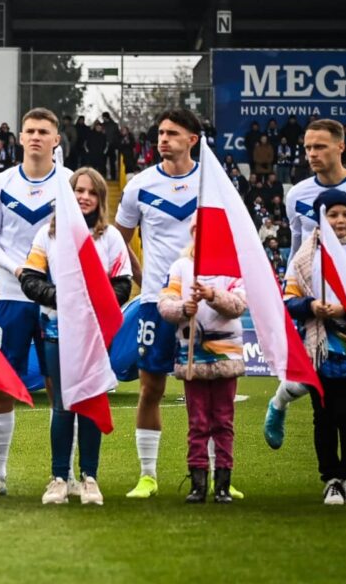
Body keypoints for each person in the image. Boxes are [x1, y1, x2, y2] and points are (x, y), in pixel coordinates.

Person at [269, 118, 346, 497]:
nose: (311, 154)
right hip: (317, 310)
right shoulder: (298, 193)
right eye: (307, 148)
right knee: (325, 396)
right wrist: (306, 303)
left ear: (340, 147)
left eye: (319, 147)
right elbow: (300, 251)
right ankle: (338, 475)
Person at [0, 107, 74, 496]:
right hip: (11, 297)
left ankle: (62, 475)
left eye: (43, 131)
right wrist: (18, 270)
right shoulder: (0, 182)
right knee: (3, 387)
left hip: (55, 301)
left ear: (56, 139)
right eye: (29, 130)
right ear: (19, 136)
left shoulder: (68, 182)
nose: (35, 136)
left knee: (60, 389)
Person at [20, 168, 132, 505]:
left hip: (94, 333)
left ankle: (89, 478)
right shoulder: (48, 235)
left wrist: (89, 301)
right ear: (67, 195)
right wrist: (63, 297)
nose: (84, 196)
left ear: (100, 198)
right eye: (78, 190)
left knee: (90, 401)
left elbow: (123, 284)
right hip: (55, 329)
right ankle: (58, 477)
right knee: (63, 405)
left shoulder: (110, 237)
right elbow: (29, 279)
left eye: (91, 192)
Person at [114, 108, 203, 499]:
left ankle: (212, 474)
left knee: (206, 390)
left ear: (193, 140)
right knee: (151, 389)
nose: (162, 139)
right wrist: (142, 280)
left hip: (205, 302)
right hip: (154, 302)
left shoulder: (212, 183)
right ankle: (147, 476)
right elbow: (118, 240)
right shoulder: (139, 185)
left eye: (172, 133)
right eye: (160, 133)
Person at [284, 190, 346, 505]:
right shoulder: (305, 257)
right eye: (332, 215)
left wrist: (345, 308)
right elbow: (287, 299)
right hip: (317, 351)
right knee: (323, 417)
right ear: (321, 218)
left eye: (345, 215)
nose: (339, 221)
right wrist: (311, 306)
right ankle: (331, 479)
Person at [158, 223, 247, 504]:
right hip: (192, 357)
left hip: (225, 356)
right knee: (197, 423)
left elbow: (238, 305)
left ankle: (222, 482)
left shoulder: (232, 268)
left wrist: (212, 295)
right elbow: (165, 304)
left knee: (223, 421)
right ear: (193, 234)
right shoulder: (182, 267)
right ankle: (197, 482)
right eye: (199, 231)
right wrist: (184, 308)